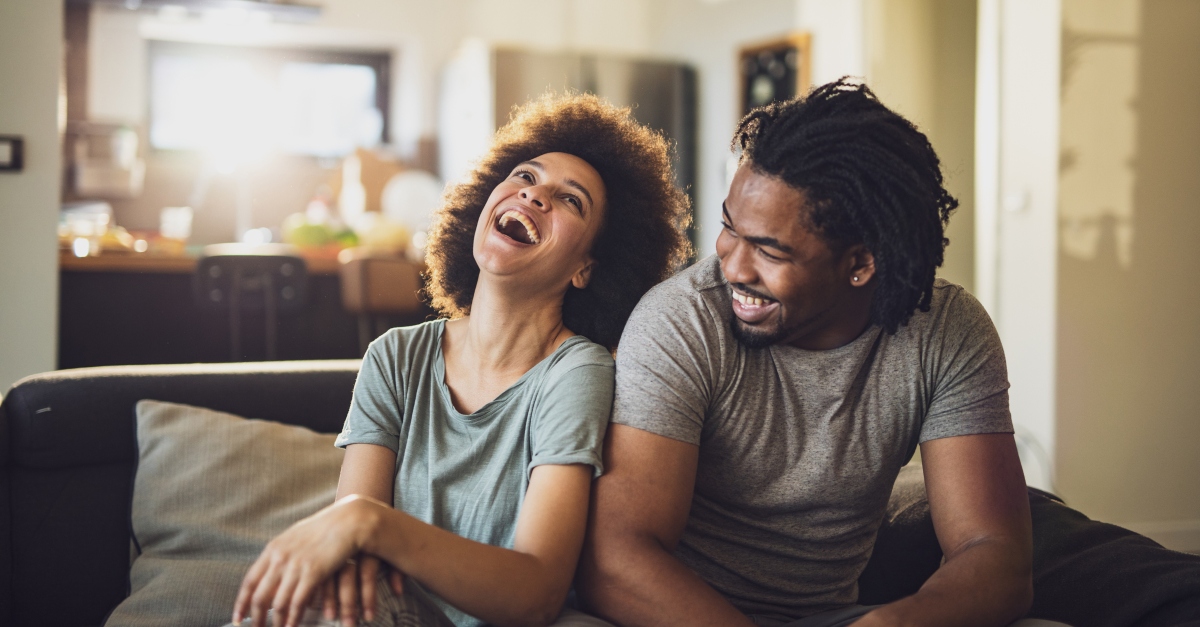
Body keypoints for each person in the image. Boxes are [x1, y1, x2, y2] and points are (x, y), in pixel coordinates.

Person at [577, 79, 1058, 627]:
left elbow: (994, 552)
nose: (733, 267)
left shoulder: (946, 331)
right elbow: (615, 559)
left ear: (860, 264)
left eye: (769, 249)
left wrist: (893, 622)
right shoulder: (681, 320)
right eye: (730, 230)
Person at [230, 93, 691, 627]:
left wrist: (371, 524)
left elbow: (537, 591)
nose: (535, 195)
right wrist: (359, 533)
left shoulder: (576, 372)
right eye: (525, 176)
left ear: (587, 268)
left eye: (571, 201)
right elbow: (352, 554)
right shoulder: (394, 357)